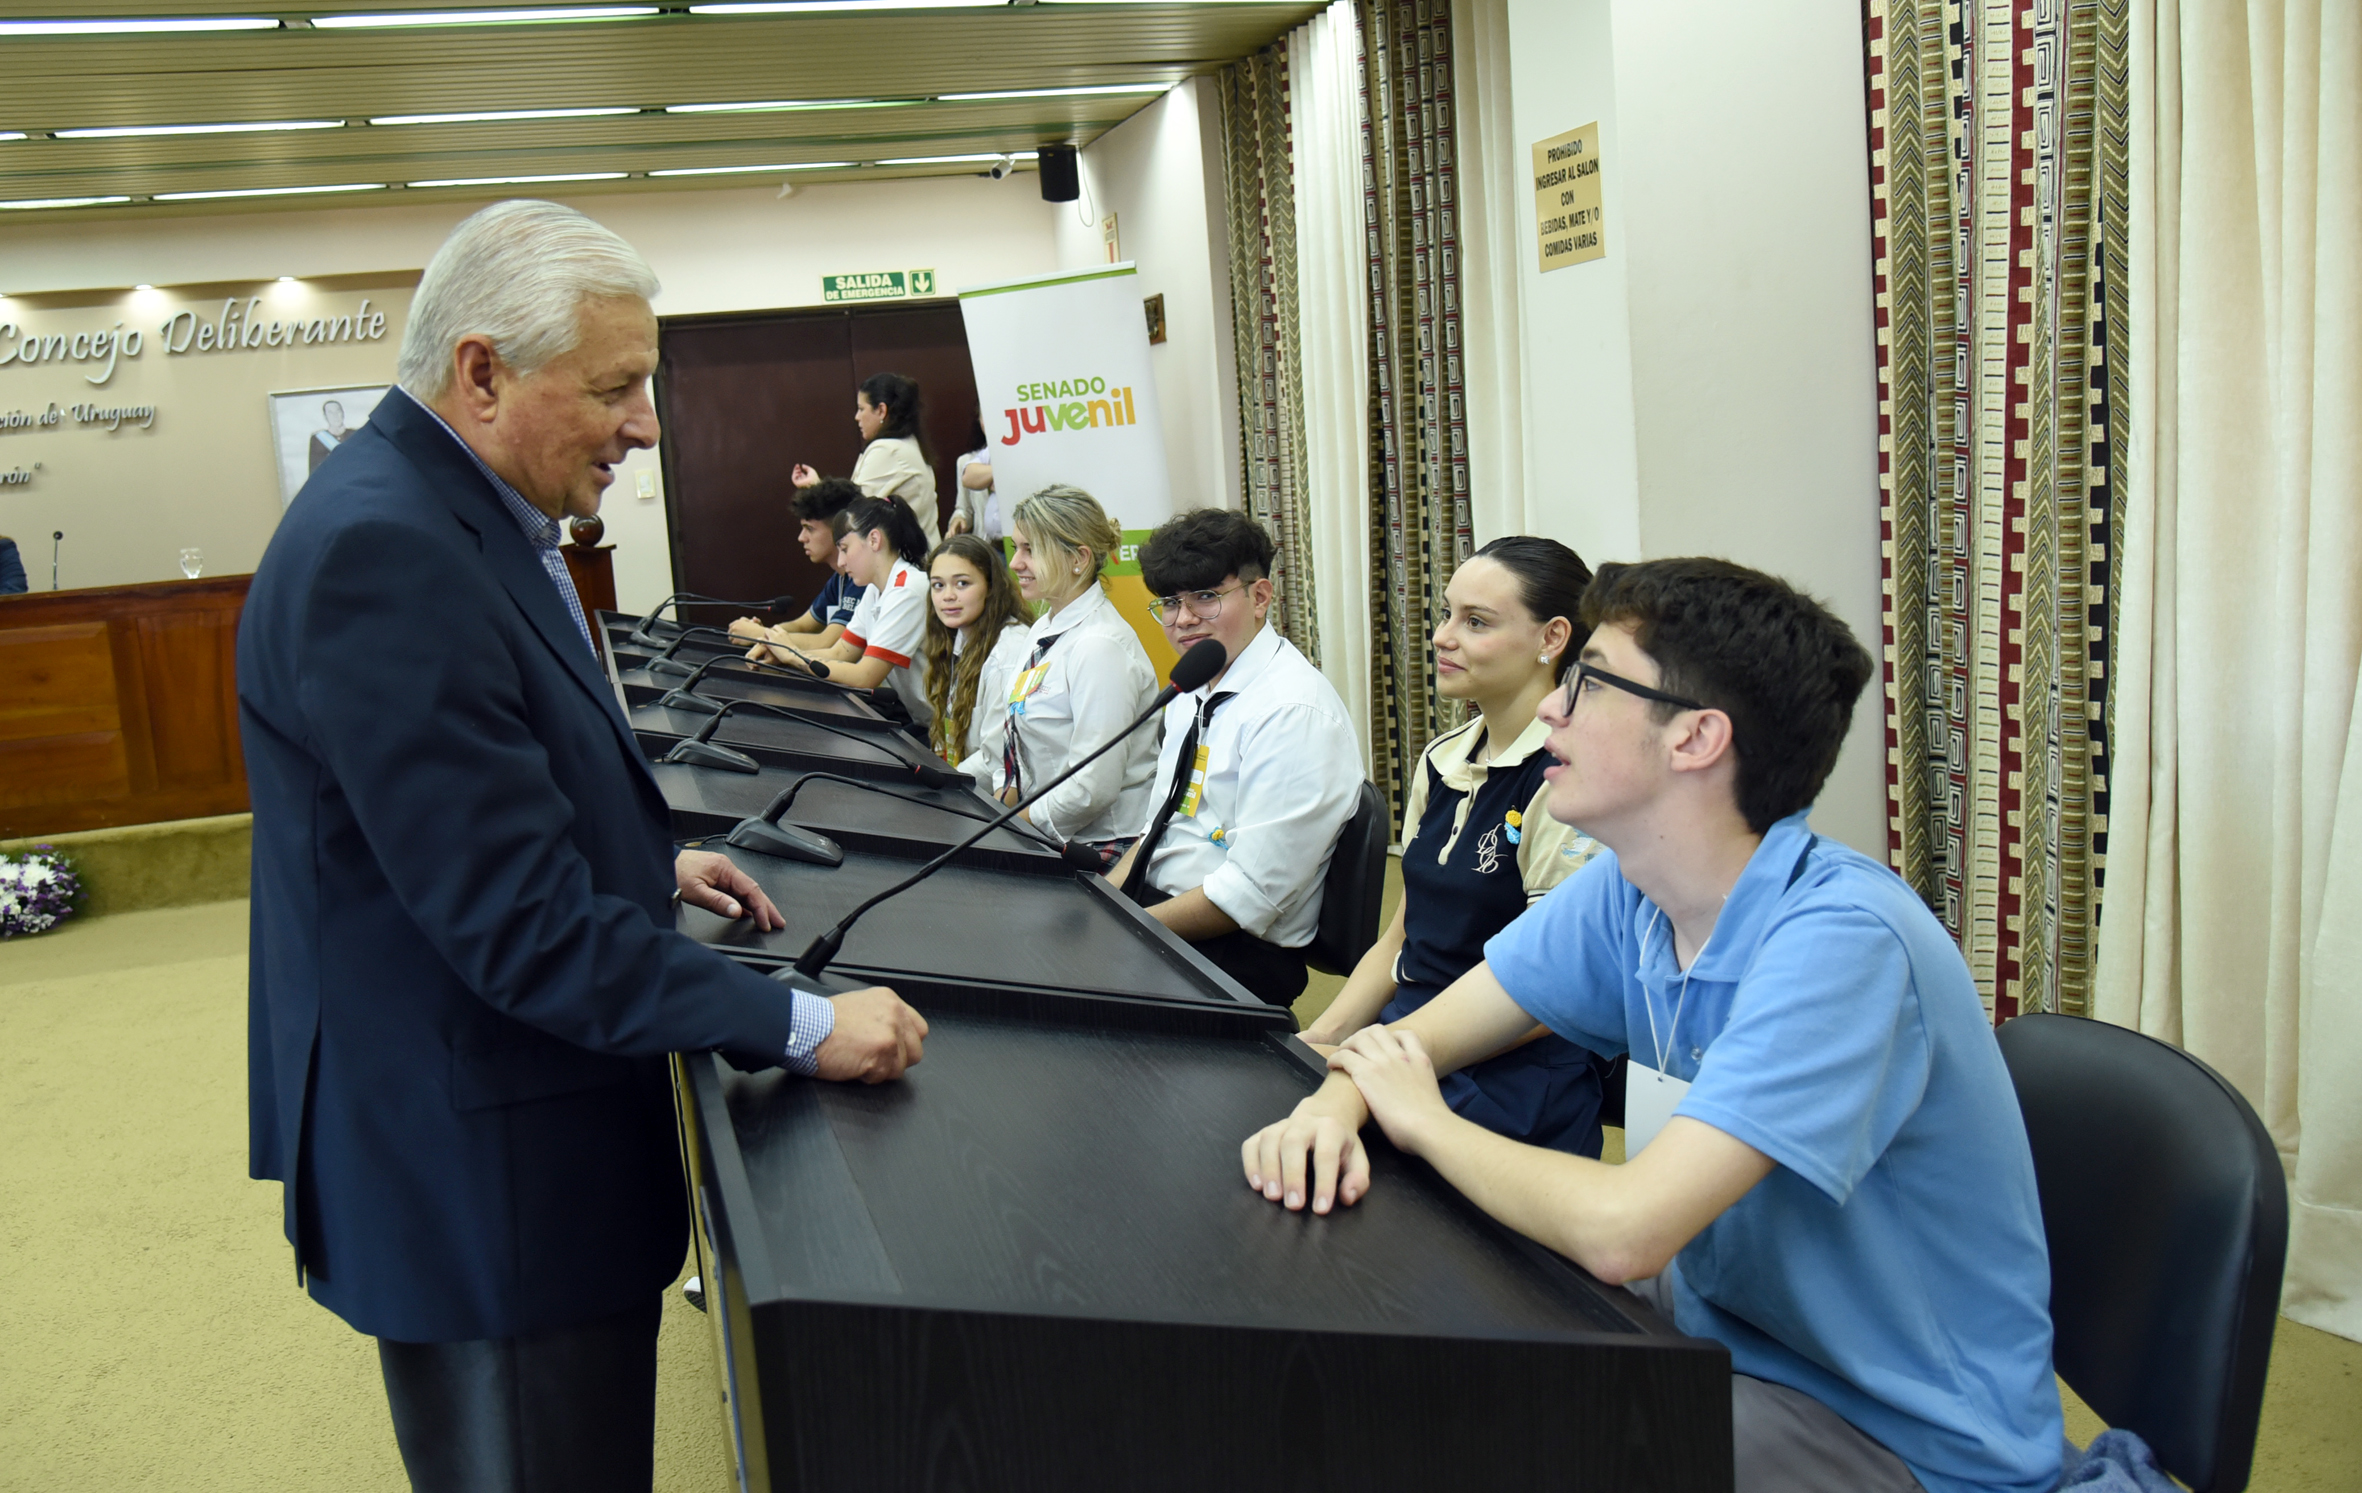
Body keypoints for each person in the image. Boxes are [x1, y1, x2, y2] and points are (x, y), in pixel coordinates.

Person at [237, 200, 929, 1493]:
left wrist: (641, 857)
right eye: (615, 387)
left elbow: (456, 806)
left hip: (495, 1132)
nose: (646, 425)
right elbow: (517, 928)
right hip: (485, 1181)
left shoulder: (438, 513)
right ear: (482, 371)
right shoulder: (387, 552)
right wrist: (797, 1024)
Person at [1241, 558, 2062, 1493]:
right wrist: (1334, 1104)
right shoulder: (1634, 887)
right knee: (1425, 1333)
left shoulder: (1844, 944)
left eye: (1588, 682)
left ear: (1697, 738)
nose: (1552, 708)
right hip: (1728, 1319)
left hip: (1896, 1424)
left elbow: (1626, 1230)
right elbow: (1420, 1035)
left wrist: (1416, 1116)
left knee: (1481, 1431)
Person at [1300, 536, 1613, 1157]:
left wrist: (1384, 1061)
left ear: (1552, 639)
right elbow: (1401, 941)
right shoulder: (1443, 759)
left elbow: (1551, 996)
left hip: (1508, 1079)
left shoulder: (1568, 777)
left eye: (1475, 622)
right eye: (1447, 613)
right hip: (1408, 1046)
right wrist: (1324, 1036)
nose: (1443, 636)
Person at [1106, 509, 1360, 1004]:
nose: (1183, 620)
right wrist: (1105, 903)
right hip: (1161, 913)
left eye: (1205, 597)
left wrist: (1124, 931)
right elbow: (1156, 829)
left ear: (1260, 596)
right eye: (1170, 603)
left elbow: (1249, 895)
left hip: (1234, 953)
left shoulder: (1291, 710)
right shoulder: (1194, 687)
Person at [990, 485, 1158, 866]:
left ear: (1078, 558)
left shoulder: (1100, 647)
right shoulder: (1045, 627)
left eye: (1030, 549)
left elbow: (1091, 788)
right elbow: (1017, 739)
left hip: (1101, 846)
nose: (1015, 563)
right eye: (1016, 547)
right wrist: (1000, 811)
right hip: (1043, 829)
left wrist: (1012, 826)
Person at [754, 496, 933, 729]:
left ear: (874, 540)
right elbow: (840, 652)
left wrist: (794, 657)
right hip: (926, 720)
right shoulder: (874, 589)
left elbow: (865, 676)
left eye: (845, 549)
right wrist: (782, 655)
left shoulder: (906, 589)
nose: (841, 561)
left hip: (947, 725)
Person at [792, 370, 939, 551]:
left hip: (908, 563)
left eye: (862, 409)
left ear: (881, 410)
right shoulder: (906, 444)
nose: (857, 417)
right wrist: (816, 485)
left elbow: (852, 512)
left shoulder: (888, 450)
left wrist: (816, 490)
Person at [921, 533, 1033, 769]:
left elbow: (996, 760)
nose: (948, 596)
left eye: (962, 583)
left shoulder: (1009, 651)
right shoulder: (957, 636)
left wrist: (945, 786)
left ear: (991, 587)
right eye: (938, 585)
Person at [728, 476, 863, 654]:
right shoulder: (839, 578)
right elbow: (803, 625)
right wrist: (772, 632)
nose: (801, 538)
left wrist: (759, 634)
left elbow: (829, 643)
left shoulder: (862, 579)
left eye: (810, 529)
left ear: (840, 529)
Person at [946, 411, 1001, 540]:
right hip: (984, 545)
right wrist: (959, 519)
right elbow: (964, 509)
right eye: (984, 416)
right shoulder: (966, 461)